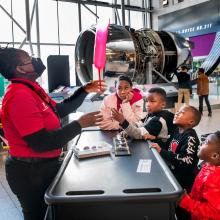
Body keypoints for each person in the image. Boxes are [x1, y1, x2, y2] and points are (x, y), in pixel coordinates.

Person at [0, 47, 106, 220]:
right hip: (30, 173)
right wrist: (79, 125)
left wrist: (84, 90)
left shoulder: (31, 88)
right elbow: (41, 143)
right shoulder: (19, 96)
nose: (35, 60)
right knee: (37, 215)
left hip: (43, 167)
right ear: (19, 68)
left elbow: (59, 109)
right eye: (29, 58)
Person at [150, 104, 201, 220]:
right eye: (178, 111)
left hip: (184, 184)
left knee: (183, 211)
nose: (177, 113)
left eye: (182, 113)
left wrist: (161, 151)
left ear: (191, 122)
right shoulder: (177, 131)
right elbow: (168, 146)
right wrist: (155, 140)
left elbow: (187, 161)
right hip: (174, 177)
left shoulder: (190, 137)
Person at [111, 87, 176, 149]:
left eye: (152, 101)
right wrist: (126, 132)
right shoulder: (151, 114)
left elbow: (137, 134)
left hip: (159, 153)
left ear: (163, 105)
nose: (147, 104)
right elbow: (139, 124)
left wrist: (122, 121)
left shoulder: (158, 121)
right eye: (147, 101)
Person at [179, 131, 220, 220]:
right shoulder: (207, 166)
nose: (200, 144)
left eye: (205, 142)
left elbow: (214, 213)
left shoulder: (215, 178)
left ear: (214, 156)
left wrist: (186, 201)